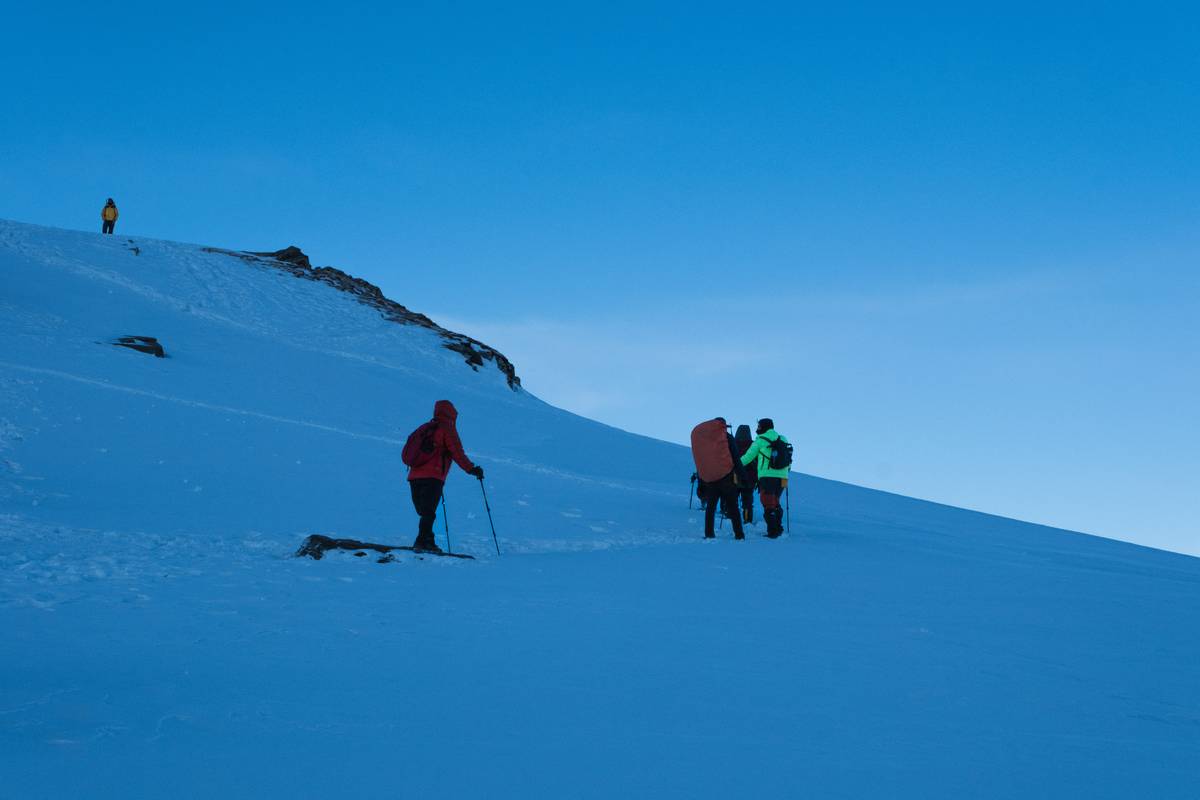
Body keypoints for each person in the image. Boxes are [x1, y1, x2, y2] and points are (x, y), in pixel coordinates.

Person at [403, 400, 484, 553]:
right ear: (451, 413)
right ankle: (422, 541)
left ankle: (427, 540)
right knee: (428, 512)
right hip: (433, 476)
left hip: (414, 476)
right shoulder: (447, 429)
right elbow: (457, 453)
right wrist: (472, 469)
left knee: (424, 511)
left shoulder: (425, 427)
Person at [690, 417, 748, 540]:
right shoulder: (727, 438)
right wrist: (743, 476)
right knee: (733, 506)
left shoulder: (707, 441)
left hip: (711, 479)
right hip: (727, 477)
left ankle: (709, 534)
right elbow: (736, 459)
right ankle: (739, 534)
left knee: (711, 507)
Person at [739, 418, 791, 538]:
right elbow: (788, 457)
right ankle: (778, 529)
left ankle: (773, 532)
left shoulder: (760, 441)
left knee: (768, 503)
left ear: (763, 427)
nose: (757, 428)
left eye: (758, 426)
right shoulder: (783, 439)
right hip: (783, 477)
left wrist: (734, 464)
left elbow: (747, 458)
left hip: (767, 476)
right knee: (775, 502)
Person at [733, 424, 757, 524]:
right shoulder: (754, 445)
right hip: (749, 478)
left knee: (732, 498)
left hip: (735, 477)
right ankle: (747, 519)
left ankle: (730, 515)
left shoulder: (732, 444)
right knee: (747, 502)